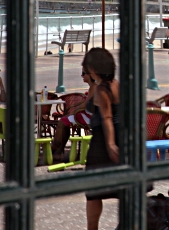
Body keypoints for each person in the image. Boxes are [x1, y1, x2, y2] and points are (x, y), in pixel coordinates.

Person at [83, 48, 120, 230]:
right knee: (124, 188)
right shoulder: (116, 84)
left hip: (102, 140)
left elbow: (106, 117)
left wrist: (111, 144)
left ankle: (92, 228)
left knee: (94, 192)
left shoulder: (102, 90)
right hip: (121, 135)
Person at [51, 68, 96, 161]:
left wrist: (75, 111)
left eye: (84, 73)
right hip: (89, 115)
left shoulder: (94, 87)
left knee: (63, 121)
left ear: (90, 74)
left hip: (89, 117)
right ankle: (57, 149)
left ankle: (56, 148)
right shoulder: (94, 86)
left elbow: (86, 105)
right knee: (65, 121)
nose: (82, 76)